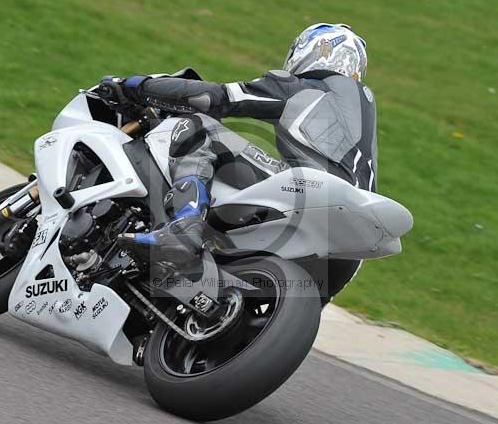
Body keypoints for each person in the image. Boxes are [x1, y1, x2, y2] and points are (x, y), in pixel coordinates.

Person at [104, 23, 377, 268]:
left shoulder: (307, 87)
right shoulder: (362, 110)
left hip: (315, 189)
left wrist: (137, 86)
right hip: (350, 246)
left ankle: (183, 228)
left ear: (312, 50)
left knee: (201, 129)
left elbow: (213, 98)